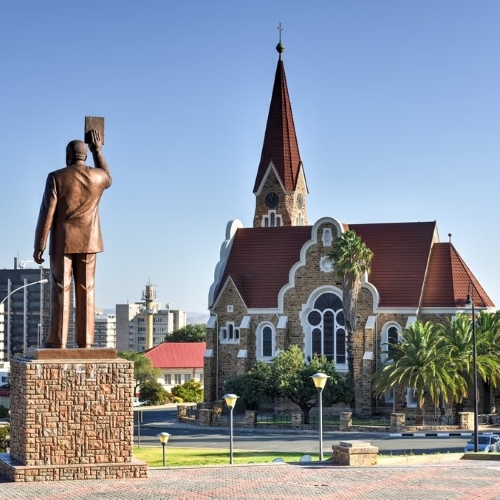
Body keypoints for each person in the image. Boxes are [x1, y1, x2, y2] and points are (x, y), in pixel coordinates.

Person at [33, 130, 111, 348]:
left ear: (68, 156)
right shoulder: (98, 177)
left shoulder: (56, 177)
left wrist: (39, 245)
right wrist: (98, 151)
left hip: (63, 242)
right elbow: (109, 176)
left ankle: (57, 340)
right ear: (85, 156)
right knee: (87, 288)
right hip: (90, 241)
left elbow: (46, 213)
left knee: (60, 287)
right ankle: (86, 341)